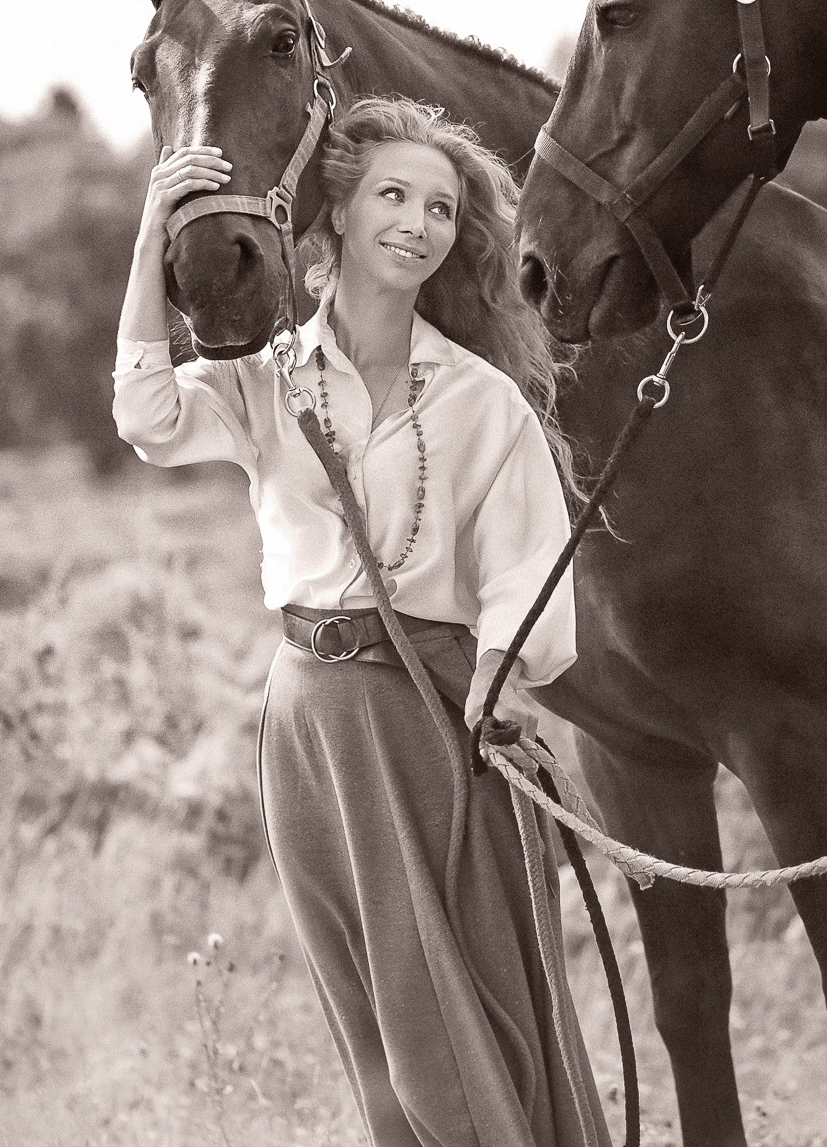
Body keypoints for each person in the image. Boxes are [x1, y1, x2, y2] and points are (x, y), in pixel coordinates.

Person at [113, 95, 605, 1147]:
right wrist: (152, 237)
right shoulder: (266, 378)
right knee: (377, 1023)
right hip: (306, 727)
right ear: (333, 210)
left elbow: (527, 569)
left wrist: (499, 679)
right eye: (393, 194)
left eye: (440, 207)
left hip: (435, 716)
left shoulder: (483, 401)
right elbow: (147, 416)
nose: (419, 223)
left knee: (470, 1014)